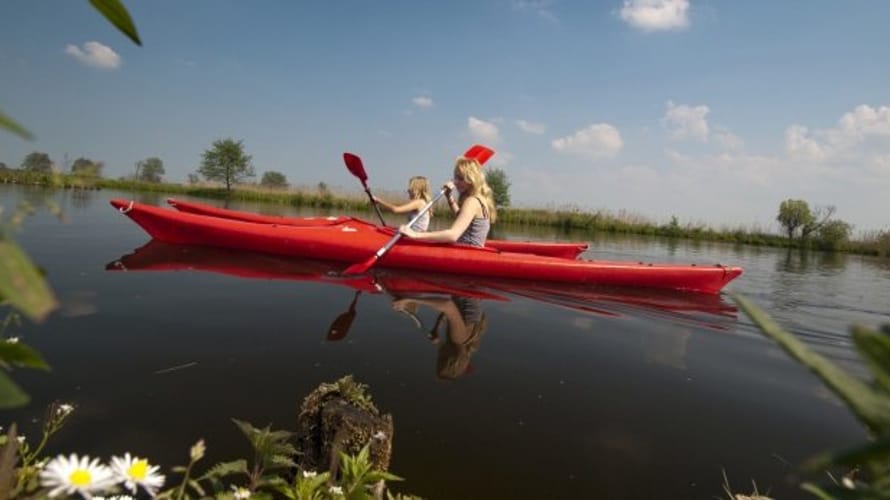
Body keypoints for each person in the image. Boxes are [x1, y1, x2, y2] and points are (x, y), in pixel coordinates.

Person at [398, 157, 497, 247]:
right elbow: (462, 218)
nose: (455, 182)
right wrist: (449, 197)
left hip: (466, 254)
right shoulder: (481, 199)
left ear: (471, 179)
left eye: (460, 178)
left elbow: (453, 235)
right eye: (455, 177)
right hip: (471, 251)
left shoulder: (472, 201)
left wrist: (415, 234)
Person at [391, 295, 487, 380]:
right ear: (448, 358)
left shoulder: (464, 343)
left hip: (467, 291)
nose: (438, 356)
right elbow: (448, 305)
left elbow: (452, 312)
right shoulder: (458, 339)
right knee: (408, 298)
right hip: (465, 286)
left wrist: (437, 330)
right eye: (440, 359)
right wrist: (413, 300)